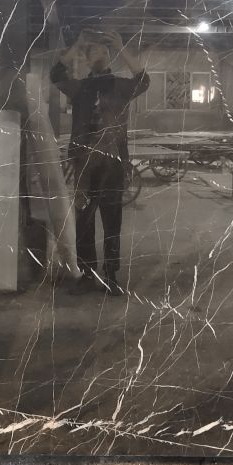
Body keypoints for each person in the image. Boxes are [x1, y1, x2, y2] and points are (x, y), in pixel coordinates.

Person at [50, 30, 150, 295]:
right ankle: (86, 275)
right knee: (84, 220)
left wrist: (121, 46)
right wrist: (77, 45)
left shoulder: (120, 86)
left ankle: (110, 276)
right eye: (94, 51)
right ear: (86, 59)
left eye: (105, 52)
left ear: (110, 58)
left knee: (112, 220)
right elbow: (56, 74)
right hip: (84, 165)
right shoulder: (80, 89)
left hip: (112, 163)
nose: (100, 55)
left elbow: (143, 80)